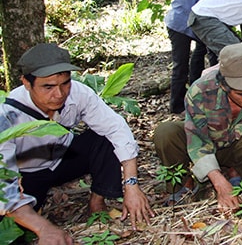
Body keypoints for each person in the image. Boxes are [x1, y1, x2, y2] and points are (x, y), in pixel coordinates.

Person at [0, 43, 153, 244]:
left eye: (65, 83)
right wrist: (45, 228)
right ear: (27, 84)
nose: (59, 94)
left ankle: (97, 202)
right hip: (28, 175)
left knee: (104, 138)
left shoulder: (78, 93)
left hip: (64, 159)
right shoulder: (7, 116)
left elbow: (116, 128)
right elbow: (5, 188)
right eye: (48, 87)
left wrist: (131, 185)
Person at [153, 43, 242, 210]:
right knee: (165, 132)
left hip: (239, 149)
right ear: (224, 86)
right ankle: (185, 184)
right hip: (205, 145)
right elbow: (198, 143)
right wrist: (219, 183)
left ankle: (240, 176)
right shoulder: (200, 91)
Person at [165, 0, 232, 114]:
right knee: (181, 64)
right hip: (182, 23)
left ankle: (193, 94)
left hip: (180, 20)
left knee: (199, 51)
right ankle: (178, 105)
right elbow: (207, 5)